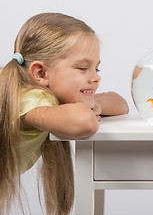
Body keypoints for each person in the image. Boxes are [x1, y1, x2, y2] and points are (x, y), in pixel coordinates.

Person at [0, 13, 129, 215]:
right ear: (41, 73)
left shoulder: (47, 98)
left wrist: (96, 106)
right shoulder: (29, 98)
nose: (96, 77)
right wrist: (88, 110)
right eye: (83, 68)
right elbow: (85, 122)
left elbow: (120, 103)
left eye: (97, 67)